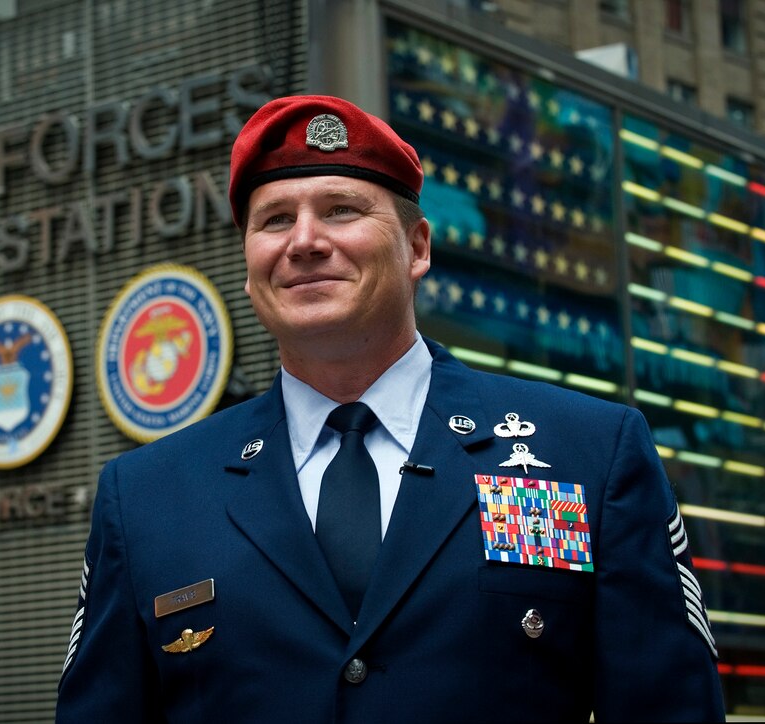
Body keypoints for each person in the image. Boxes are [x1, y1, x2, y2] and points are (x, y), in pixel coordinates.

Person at [55, 95, 725, 722]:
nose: (305, 240)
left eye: (342, 209)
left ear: (419, 248)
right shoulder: (146, 498)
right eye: (275, 220)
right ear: (250, 261)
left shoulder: (588, 454)